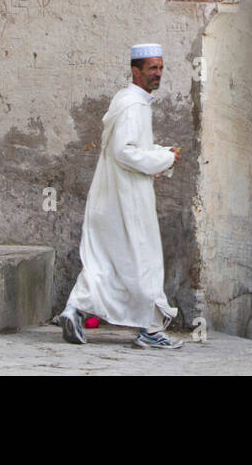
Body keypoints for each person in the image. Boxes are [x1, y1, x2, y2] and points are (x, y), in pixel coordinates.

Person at [55, 43, 183, 349]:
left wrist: (160, 153)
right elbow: (124, 152)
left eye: (161, 67)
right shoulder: (133, 105)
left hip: (110, 196)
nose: (158, 74)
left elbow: (129, 149)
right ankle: (150, 330)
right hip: (128, 200)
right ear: (135, 71)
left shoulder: (127, 101)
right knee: (144, 259)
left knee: (106, 262)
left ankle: (74, 310)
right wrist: (164, 160)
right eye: (152, 68)